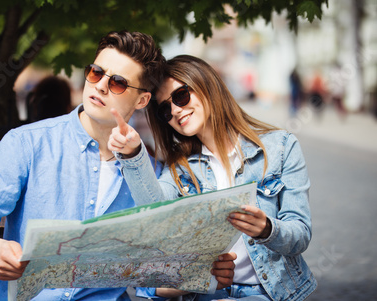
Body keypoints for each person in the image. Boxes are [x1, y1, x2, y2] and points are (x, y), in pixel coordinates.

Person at [0, 32, 235, 300]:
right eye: (96, 72)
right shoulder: (28, 144)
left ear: (142, 99)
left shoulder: (150, 176)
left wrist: (201, 276)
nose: (100, 85)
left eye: (118, 82)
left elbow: (146, 279)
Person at [108, 55, 317, 300]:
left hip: (269, 293)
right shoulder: (180, 168)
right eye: (165, 108)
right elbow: (155, 210)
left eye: (181, 95)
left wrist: (267, 229)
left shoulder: (280, 147)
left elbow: (300, 235)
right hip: (207, 294)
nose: (175, 110)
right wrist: (133, 153)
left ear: (206, 85)